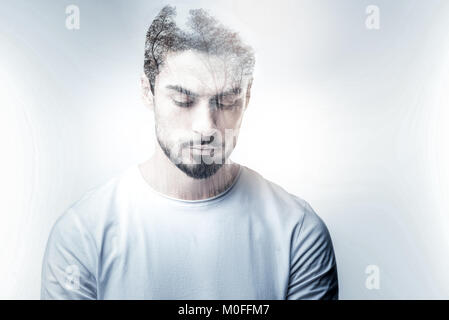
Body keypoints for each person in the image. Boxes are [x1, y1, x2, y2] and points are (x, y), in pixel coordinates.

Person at [41, 5, 338, 300]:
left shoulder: (298, 232)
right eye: (184, 100)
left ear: (246, 97)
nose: (206, 127)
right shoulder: (82, 235)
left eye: (226, 100)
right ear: (148, 91)